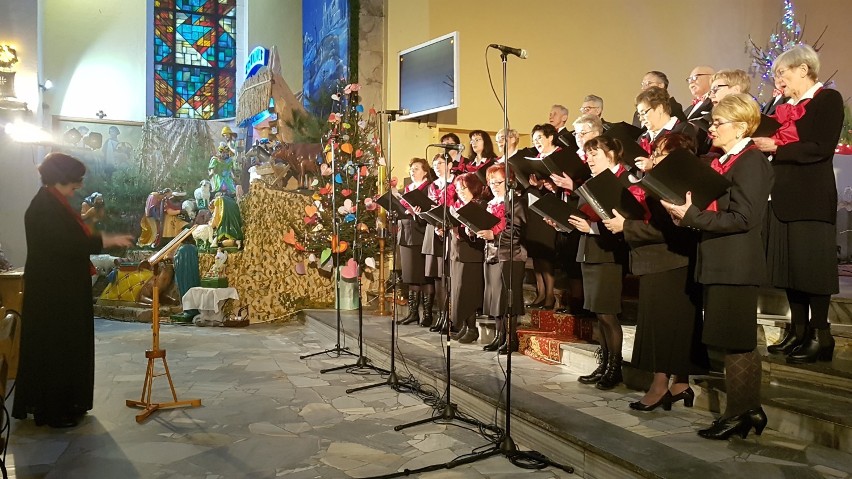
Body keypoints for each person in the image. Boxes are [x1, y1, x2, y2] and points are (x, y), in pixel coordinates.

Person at [663, 93, 773, 440]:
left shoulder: (751, 162)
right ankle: (747, 410)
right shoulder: (724, 160)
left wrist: (693, 216)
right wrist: (686, 216)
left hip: (736, 265)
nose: (711, 129)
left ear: (740, 125)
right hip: (719, 261)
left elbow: (744, 217)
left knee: (737, 341)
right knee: (731, 340)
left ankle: (740, 413)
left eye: (718, 123)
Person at [13, 153, 133, 428]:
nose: (78, 186)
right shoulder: (44, 206)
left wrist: (105, 239)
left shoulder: (55, 203)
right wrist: (105, 240)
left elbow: (73, 238)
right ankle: (53, 410)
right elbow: (66, 244)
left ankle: (68, 402)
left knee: (68, 346)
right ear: (61, 178)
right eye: (75, 180)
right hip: (53, 293)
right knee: (56, 347)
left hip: (63, 288)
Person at [753, 44, 844, 363]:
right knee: (790, 269)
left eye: (782, 72)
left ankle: (822, 335)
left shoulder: (827, 99)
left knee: (812, 269)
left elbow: (820, 147)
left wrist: (777, 147)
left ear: (803, 69)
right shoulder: (781, 105)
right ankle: (799, 331)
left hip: (811, 196)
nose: (778, 80)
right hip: (781, 195)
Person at [603, 133, 708, 411]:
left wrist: (625, 227)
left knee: (665, 325)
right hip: (662, 261)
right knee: (668, 324)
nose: (654, 157)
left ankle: (661, 385)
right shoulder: (664, 182)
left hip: (670, 261)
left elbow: (668, 230)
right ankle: (680, 384)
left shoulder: (675, 184)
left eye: (660, 154)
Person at [566, 136, 634, 390]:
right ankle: (604, 363)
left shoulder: (622, 181)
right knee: (597, 314)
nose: (589, 159)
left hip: (608, 254)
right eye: (588, 154)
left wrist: (592, 227)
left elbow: (623, 222)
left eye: (595, 154)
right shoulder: (591, 182)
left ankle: (615, 368)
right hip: (589, 251)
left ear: (612, 155)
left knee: (608, 314)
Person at [476, 165, 526, 352]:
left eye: (499, 182)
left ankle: (511, 338)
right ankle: (499, 335)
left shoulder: (516, 202)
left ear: (509, 182)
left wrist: (494, 236)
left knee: (507, 298)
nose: (495, 186)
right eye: (491, 182)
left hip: (510, 255)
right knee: (495, 297)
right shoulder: (491, 203)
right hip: (491, 254)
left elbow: (516, 230)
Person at [447, 173, 488, 340]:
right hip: (457, 253)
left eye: (464, 188)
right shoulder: (457, 206)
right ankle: (464, 325)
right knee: (459, 292)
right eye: (458, 189)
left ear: (474, 187)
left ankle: (472, 328)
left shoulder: (480, 205)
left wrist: (463, 230)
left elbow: (479, 230)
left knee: (469, 292)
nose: (461, 192)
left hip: (472, 254)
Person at [397, 158, 434, 326]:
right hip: (406, 233)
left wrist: (416, 213)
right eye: (411, 169)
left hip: (421, 233)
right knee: (411, 275)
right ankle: (413, 313)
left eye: (417, 168)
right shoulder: (407, 189)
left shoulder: (428, 188)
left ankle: (427, 314)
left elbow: (430, 213)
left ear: (425, 171)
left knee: (424, 276)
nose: (413, 171)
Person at [424, 153, 456, 333]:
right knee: (438, 276)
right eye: (435, 164)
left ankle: (451, 317)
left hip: (452, 232)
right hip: (435, 231)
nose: (437, 166)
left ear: (450, 164)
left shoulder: (457, 182)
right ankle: (441, 315)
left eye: (441, 163)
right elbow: (430, 207)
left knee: (449, 275)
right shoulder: (432, 186)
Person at [635, 87, 697, 162]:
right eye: (639, 115)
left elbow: (684, 161)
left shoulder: (683, 129)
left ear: (659, 108)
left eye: (643, 113)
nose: (641, 119)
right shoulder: (642, 138)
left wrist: (653, 164)